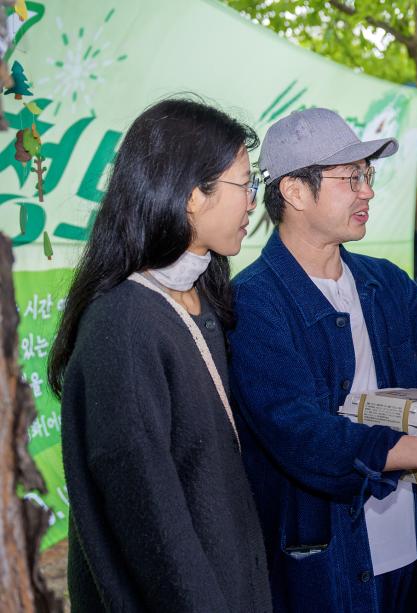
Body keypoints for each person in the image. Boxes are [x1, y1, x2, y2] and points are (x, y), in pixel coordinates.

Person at [227, 108, 417, 613]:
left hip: (416, 552)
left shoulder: (386, 283)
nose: (368, 191)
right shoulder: (253, 302)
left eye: (368, 175)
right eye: (351, 178)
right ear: (294, 191)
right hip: (326, 569)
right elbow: (300, 434)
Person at [47, 99, 272, 612]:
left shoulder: (204, 303)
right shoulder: (123, 327)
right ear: (194, 195)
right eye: (245, 185)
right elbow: (151, 524)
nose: (252, 203)